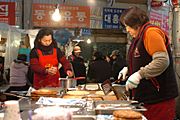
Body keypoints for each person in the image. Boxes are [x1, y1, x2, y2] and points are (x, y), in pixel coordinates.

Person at [118, 6, 178, 120]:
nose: (127, 30)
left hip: (159, 99)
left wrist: (140, 74)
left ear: (135, 23)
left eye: (127, 26)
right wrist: (128, 69)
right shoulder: (138, 37)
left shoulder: (151, 32)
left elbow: (162, 61)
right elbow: (143, 58)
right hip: (147, 100)